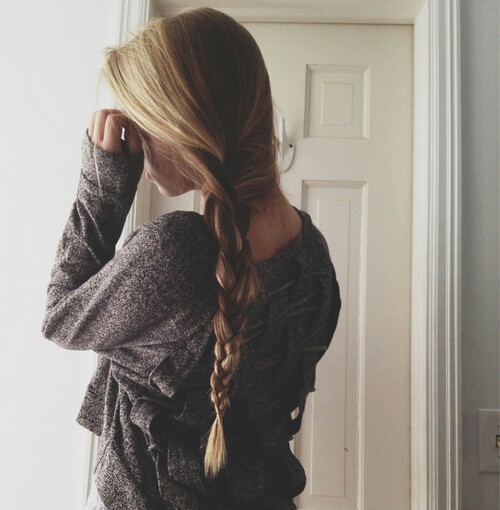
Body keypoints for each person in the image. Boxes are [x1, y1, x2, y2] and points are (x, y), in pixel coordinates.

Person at [42, 7, 341, 510]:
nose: (136, 141)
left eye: (142, 121)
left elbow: (59, 318)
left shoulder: (177, 251)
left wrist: (104, 189)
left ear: (181, 123)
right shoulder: (313, 255)